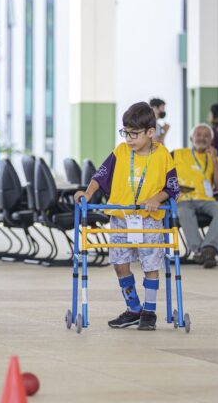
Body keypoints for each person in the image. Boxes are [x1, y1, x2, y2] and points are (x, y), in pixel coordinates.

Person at [74, 102, 180, 331]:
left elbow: (173, 188)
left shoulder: (163, 156)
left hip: (150, 220)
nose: (129, 138)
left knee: (150, 264)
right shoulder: (120, 151)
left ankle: (149, 311)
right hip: (121, 217)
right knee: (120, 264)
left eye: (134, 134)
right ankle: (133, 308)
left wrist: (156, 200)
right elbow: (100, 176)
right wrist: (87, 192)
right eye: (125, 132)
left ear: (150, 132)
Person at [173, 124, 218, 268]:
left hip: (206, 200)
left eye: (206, 136)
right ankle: (200, 251)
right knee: (184, 211)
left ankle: (208, 248)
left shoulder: (214, 159)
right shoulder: (178, 154)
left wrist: (215, 161)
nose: (202, 138)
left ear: (211, 140)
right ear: (192, 137)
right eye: (198, 134)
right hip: (184, 199)